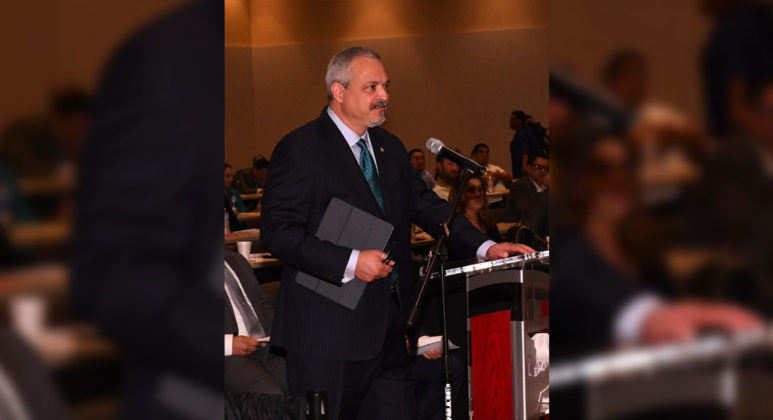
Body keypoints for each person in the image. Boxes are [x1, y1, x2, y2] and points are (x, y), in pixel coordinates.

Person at [261, 46, 533, 420]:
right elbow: (278, 232)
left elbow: (429, 207)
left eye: (386, 86)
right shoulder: (301, 148)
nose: (384, 96)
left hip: (390, 329)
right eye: (371, 87)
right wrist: (351, 261)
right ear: (338, 91)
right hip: (326, 334)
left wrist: (486, 246)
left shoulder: (388, 148)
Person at [552, 136, 762, 359]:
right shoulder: (565, 253)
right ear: (578, 181)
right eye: (602, 169)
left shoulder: (645, 253)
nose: (618, 179)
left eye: (626, 167)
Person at [224, 250, 288, 395]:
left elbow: (262, 305)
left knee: (307, 382)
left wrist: (281, 335)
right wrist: (229, 344)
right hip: (229, 353)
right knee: (269, 394)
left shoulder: (236, 260)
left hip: (266, 345)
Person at [504, 152, 550, 241]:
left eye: (546, 168)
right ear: (529, 168)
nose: (543, 171)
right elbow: (528, 213)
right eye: (539, 167)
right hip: (527, 234)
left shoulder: (548, 185)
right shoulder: (519, 186)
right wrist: (547, 192)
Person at [448, 176, 502, 244]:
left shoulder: (488, 220)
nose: (477, 194)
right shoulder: (455, 224)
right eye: (471, 190)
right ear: (460, 194)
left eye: (480, 189)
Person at [509, 110, 547, 179]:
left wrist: (524, 166)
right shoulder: (531, 132)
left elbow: (525, 151)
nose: (510, 121)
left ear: (520, 121)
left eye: (513, 119)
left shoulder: (522, 134)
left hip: (525, 174)